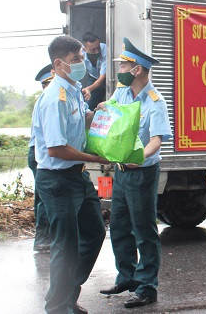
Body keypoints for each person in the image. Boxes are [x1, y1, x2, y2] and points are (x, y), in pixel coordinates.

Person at [32, 35, 109, 314]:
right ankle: (57, 306)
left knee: (95, 232)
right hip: (57, 180)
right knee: (65, 245)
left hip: (77, 176)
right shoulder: (54, 97)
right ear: (59, 62)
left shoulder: (74, 89)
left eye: (81, 58)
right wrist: (94, 159)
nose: (81, 63)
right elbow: (56, 149)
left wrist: (97, 113)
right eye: (77, 59)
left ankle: (65, 294)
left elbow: (79, 122)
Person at [99, 38, 172, 309]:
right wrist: (100, 108)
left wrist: (137, 158)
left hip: (142, 172)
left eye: (124, 65)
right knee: (119, 226)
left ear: (137, 69)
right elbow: (111, 110)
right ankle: (126, 277)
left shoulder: (155, 101)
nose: (120, 69)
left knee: (144, 229)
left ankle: (146, 286)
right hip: (122, 171)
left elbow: (156, 141)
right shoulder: (122, 92)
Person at [29, 63, 53, 253]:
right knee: (44, 199)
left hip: (39, 152)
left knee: (44, 198)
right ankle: (43, 238)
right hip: (39, 153)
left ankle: (46, 237)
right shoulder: (47, 100)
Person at [81, 32, 107, 111]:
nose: (96, 51)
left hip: (105, 77)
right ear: (84, 49)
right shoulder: (80, 55)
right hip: (93, 77)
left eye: (98, 47)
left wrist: (88, 89)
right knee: (89, 104)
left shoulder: (105, 50)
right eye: (93, 49)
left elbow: (101, 79)